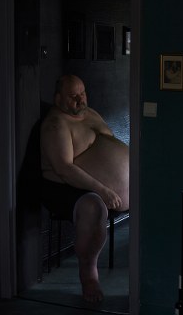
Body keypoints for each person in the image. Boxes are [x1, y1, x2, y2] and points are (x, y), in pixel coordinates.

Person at [40, 74, 129, 302]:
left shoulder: (90, 114)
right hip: (65, 186)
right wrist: (104, 190)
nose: (81, 100)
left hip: (95, 184)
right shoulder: (56, 125)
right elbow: (64, 169)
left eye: (83, 93)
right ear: (58, 98)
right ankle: (89, 275)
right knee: (94, 207)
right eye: (73, 96)